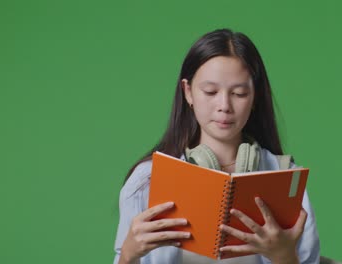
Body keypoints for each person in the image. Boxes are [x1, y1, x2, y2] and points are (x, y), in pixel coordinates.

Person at [113, 28, 320, 264]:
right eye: (210, 91)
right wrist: (129, 255)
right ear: (188, 92)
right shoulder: (147, 180)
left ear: (255, 98)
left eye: (239, 93)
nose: (224, 105)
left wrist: (284, 257)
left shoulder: (286, 178)